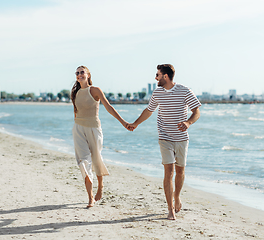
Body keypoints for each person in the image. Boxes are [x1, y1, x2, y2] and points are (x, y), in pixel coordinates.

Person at [127, 64, 201, 220]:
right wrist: (136, 123)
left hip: (181, 138)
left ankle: (177, 197)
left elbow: (196, 111)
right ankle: (170, 209)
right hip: (164, 137)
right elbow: (149, 110)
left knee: (180, 172)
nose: (155, 77)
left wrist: (188, 123)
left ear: (165, 76)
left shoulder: (184, 90)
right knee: (169, 172)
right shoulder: (158, 93)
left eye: (157, 75)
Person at [71, 65, 128, 208]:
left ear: (88, 75)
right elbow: (75, 112)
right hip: (78, 128)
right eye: (77, 73)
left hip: (94, 129)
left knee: (96, 159)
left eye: (82, 72)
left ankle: (100, 186)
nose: (79, 75)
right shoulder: (75, 93)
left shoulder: (95, 90)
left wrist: (123, 122)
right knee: (83, 162)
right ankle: (90, 197)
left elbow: (108, 107)